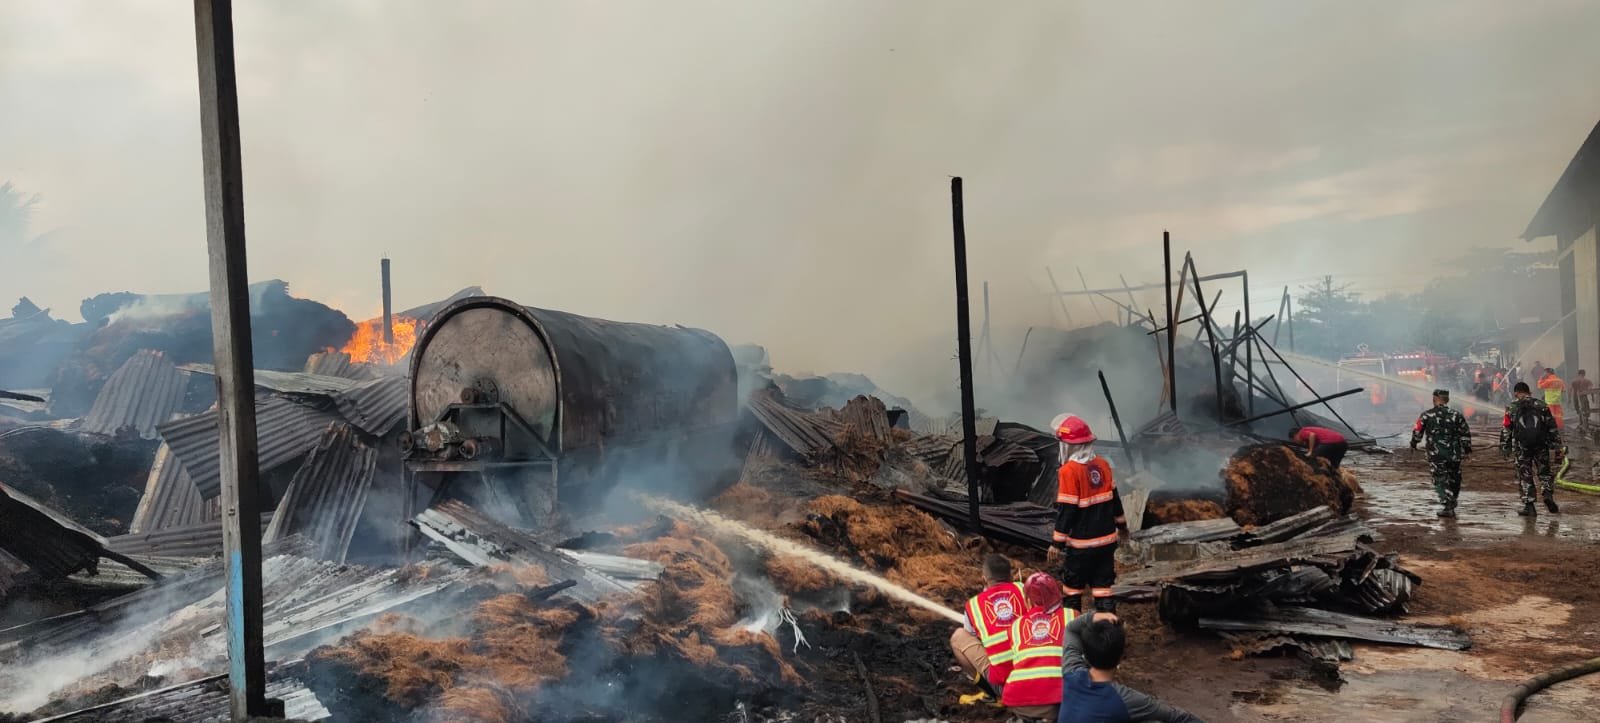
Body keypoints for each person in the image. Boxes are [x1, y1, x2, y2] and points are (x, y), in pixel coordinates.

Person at [1057, 612, 1203, 723]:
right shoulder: (1125, 699)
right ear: (1122, 656)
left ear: (1086, 656)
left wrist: (1093, 616)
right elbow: (1178, 717)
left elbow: (1071, 629)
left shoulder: (1071, 674)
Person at [1046, 414, 1126, 613]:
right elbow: (1115, 500)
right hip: (1107, 543)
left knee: (1072, 591)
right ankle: (1109, 635)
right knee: (1103, 589)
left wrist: (1057, 543)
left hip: (1081, 546)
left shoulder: (1069, 471)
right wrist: (1122, 526)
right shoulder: (1103, 465)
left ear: (1069, 446)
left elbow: (1067, 510)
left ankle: (1074, 637)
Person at [998, 572, 1076, 721]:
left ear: (1027, 600)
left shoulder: (1015, 626)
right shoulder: (1072, 616)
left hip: (1020, 701)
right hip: (1061, 701)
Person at [951, 553, 1026, 703]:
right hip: (1038, 676)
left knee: (958, 637)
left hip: (1008, 687)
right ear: (1011, 575)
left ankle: (990, 694)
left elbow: (975, 637)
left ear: (984, 578)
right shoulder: (1025, 589)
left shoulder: (974, 605)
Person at [1501, 382, 1563, 516]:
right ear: (1529, 392)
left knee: (1525, 474)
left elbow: (1506, 429)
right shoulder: (1542, 405)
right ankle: (1547, 495)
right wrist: (1557, 448)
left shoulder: (1512, 407)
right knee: (1544, 471)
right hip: (1541, 445)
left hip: (1522, 447)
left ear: (1516, 393)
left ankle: (1529, 506)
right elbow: (1552, 428)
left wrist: (1505, 448)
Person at [1410, 389, 1472, 518]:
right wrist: (1467, 450)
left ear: (1435, 399)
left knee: (1440, 479)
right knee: (1455, 478)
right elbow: (1465, 434)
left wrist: (1413, 443)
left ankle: (1448, 505)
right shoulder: (1456, 415)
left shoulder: (1426, 415)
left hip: (1436, 454)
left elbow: (1417, 432)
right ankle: (1452, 501)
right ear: (1447, 400)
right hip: (1454, 453)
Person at [1572, 369, 1594, 435]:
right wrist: (1592, 397)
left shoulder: (1574, 381)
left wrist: (1569, 399)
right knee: (1585, 410)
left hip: (1576, 397)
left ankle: (1582, 423)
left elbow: (1570, 390)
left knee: (1579, 410)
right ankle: (1585, 423)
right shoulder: (1587, 381)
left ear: (1578, 374)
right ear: (1584, 374)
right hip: (1583, 397)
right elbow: (1591, 389)